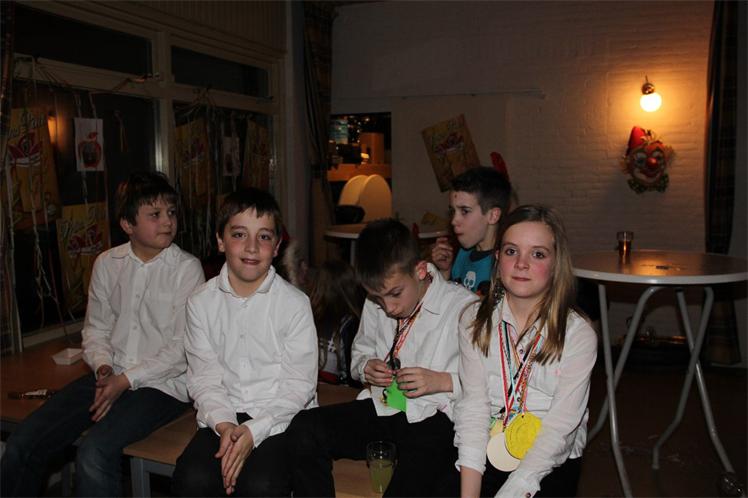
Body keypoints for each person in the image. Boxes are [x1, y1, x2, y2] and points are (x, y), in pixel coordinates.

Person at [0, 171, 205, 497]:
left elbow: (183, 349)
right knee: (23, 441)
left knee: (94, 453)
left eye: (171, 212)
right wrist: (104, 367)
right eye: (155, 214)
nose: (168, 221)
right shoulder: (107, 263)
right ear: (127, 224)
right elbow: (96, 328)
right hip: (110, 374)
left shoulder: (187, 268)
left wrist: (124, 380)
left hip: (163, 386)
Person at [287, 218, 477, 497]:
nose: (388, 307)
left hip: (437, 420)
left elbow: (491, 386)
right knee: (304, 428)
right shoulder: (376, 301)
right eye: (378, 298)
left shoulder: (465, 308)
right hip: (385, 406)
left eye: (395, 294)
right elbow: (359, 355)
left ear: (420, 270)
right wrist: (366, 367)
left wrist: (441, 381)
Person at [171, 188, 317, 497]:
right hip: (224, 410)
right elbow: (204, 379)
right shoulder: (200, 302)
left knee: (261, 485)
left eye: (264, 237)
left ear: (276, 246)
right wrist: (225, 426)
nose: (251, 247)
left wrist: (254, 430)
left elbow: (298, 386)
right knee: (192, 477)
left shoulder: (294, 304)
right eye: (239, 234)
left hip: (280, 414)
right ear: (220, 240)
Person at [454, 205, 597, 498]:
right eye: (511, 251)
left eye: (538, 254)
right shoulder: (473, 321)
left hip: (549, 459)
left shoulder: (577, 334)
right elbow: (473, 409)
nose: (521, 263)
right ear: (497, 258)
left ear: (556, 264)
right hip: (490, 442)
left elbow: (559, 430)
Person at [431, 166, 512, 296]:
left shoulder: (505, 265)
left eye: (465, 211)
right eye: (453, 211)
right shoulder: (462, 254)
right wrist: (445, 272)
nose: (454, 221)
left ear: (493, 215)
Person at [310, 259, 366, 386]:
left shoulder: (308, 317)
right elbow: (354, 375)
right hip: (339, 392)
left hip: (309, 387)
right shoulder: (351, 325)